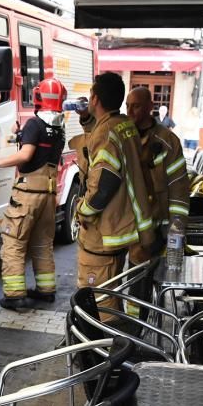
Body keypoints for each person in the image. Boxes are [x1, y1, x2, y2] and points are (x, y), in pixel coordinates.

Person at [70, 72, 151, 312]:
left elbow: (104, 184)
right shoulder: (124, 125)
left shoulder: (107, 133)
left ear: (94, 98)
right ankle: (112, 339)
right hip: (124, 224)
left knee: (96, 298)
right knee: (110, 290)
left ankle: (98, 345)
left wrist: (82, 211)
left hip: (105, 231)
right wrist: (86, 119)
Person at [0, 77, 67, 311]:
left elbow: (26, 156)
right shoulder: (59, 127)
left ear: (38, 97)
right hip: (48, 195)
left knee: (13, 242)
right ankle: (46, 291)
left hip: (28, 193)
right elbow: (40, 148)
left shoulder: (35, 124)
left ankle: (15, 295)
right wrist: (21, 134)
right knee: (42, 243)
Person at [125, 86, 189, 270]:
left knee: (145, 282)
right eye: (127, 106)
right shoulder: (124, 137)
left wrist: (175, 230)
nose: (130, 112)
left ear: (150, 107)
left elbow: (179, 190)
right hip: (126, 226)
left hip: (154, 229)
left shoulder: (168, 142)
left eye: (136, 106)